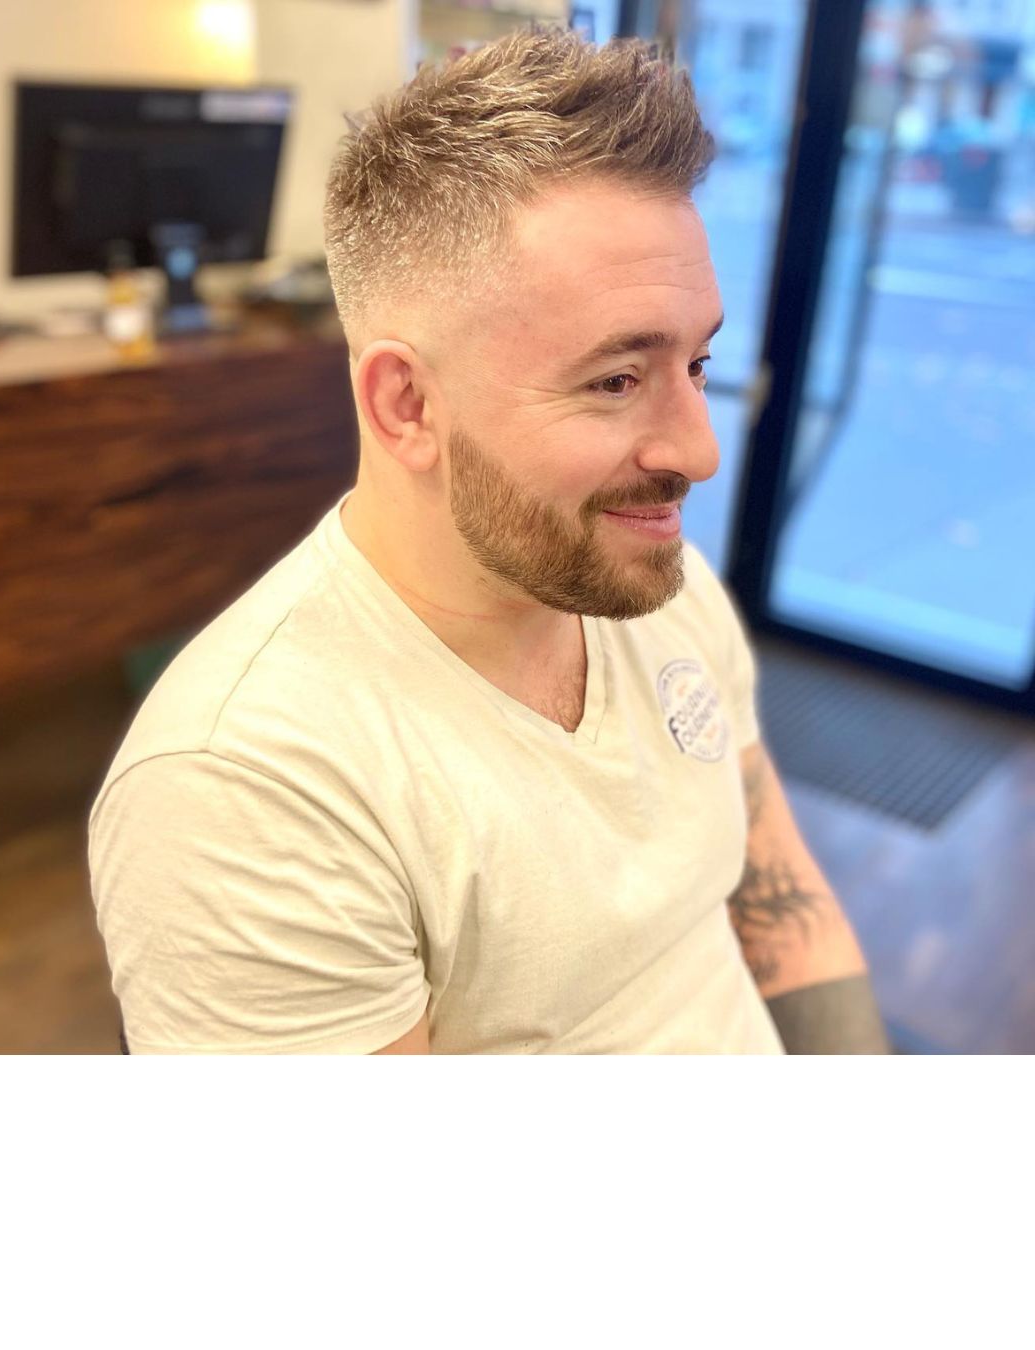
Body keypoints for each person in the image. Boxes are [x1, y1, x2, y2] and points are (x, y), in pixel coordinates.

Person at [89, 29, 890, 1055]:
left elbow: (779, 898)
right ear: (408, 405)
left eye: (696, 365)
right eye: (616, 379)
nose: (700, 452)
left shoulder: (657, 580)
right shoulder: (245, 790)